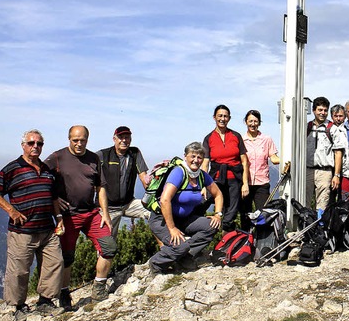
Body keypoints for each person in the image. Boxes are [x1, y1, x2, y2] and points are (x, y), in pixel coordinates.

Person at [0, 129, 64, 321]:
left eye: (39, 144)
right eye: (31, 143)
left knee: (55, 263)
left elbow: (53, 197)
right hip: (22, 231)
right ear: (23, 145)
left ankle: (45, 301)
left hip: (47, 228)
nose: (35, 146)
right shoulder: (13, 168)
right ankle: (18, 306)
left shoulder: (46, 170)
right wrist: (11, 211)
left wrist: (59, 218)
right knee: (19, 270)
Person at [45, 125, 117, 308]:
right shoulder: (57, 157)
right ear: (69, 139)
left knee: (109, 247)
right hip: (68, 216)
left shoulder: (93, 158)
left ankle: (99, 288)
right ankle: (63, 293)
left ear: (87, 139)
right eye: (75, 140)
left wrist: (105, 213)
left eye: (82, 140)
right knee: (67, 257)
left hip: (92, 213)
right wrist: (54, 198)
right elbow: (41, 177)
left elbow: (100, 187)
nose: (79, 143)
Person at [148, 142, 223, 273]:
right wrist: (172, 228)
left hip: (184, 219)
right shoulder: (179, 173)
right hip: (163, 220)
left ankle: (184, 257)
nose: (196, 160)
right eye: (192, 156)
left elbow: (218, 194)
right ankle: (156, 263)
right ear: (185, 157)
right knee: (180, 246)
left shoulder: (201, 175)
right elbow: (165, 200)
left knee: (212, 225)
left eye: (199, 157)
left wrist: (218, 215)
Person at [202, 105, 250, 233]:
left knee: (231, 212)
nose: (223, 119)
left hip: (234, 179)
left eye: (225, 116)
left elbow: (244, 161)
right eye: (220, 116)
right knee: (202, 203)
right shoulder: (209, 138)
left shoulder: (235, 136)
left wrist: (245, 183)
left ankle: (226, 240)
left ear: (229, 118)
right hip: (216, 178)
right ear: (214, 118)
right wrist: (202, 185)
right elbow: (205, 163)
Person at [97, 126, 150, 239]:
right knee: (108, 245)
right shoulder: (103, 155)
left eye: (127, 137)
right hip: (109, 208)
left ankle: (164, 249)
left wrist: (154, 197)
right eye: (121, 137)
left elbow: (143, 177)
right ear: (114, 139)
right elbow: (88, 172)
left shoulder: (134, 153)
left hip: (129, 203)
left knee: (155, 211)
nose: (124, 140)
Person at [240, 110, 281, 230]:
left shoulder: (266, 139)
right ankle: (246, 242)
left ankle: (262, 243)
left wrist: (288, 160)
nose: (253, 124)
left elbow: (273, 158)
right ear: (246, 122)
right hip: (245, 183)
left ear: (259, 123)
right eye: (250, 121)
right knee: (245, 215)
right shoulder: (240, 140)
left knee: (263, 214)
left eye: (255, 121)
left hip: (262, 183)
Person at [306, 96, 346, 218]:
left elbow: (338, 153)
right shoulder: (306, 127)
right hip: (307, 170)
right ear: (314, 110)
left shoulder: (332, 128)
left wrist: (336, 175)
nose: (323, 113)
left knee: (322, 205)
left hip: (325, 171)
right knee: (305, 203)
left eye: (325, 110)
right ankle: (305, 231)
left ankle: (320, 231)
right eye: (320, 110)